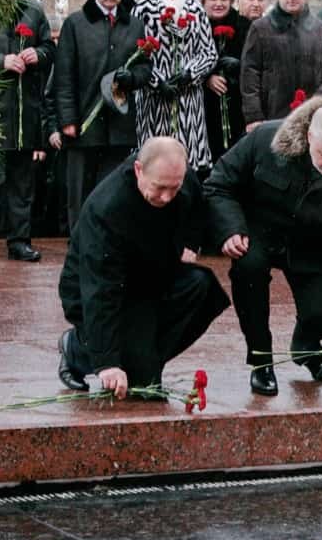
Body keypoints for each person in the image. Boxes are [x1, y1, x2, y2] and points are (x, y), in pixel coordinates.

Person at [205, 97, 322, 396]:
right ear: (310, 137)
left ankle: (307, 346)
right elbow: (219, 184)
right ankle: (261, 359)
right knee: (249, 268)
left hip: (316, 244)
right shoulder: (264, 139)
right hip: (259, 232)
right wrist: (231, 228)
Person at [57, 137, 230, 396]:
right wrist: (107, 363)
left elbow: (197, 204)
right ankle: (78, 349)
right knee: (138, 380)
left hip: (151, 276)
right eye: (160, 188)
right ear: (139, 169)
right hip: (99, 289)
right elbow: (100, 289)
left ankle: (142, 360)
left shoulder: (179, 177)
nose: (167, 197)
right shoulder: (107, 209)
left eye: (174, 188)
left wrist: (191, 244)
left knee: (200, 287)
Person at [54, 0, 153, 232]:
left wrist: (130, 78)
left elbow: (146, 69)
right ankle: (79, 243)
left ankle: (108, 245)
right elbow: (64, 76)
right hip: (84, 124)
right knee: (80, 195)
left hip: (119, 125)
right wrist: (67, 120)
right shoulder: (75, 24)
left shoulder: (134, 25)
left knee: (113, 192)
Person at [0, 0, 54, 262]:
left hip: (24, 110)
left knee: (22, 182)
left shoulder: (33, 9)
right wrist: (0, 61)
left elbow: (49, 50)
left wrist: (38, 54)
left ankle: (19, 241)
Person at [131, 0, 217, 180]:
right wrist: (157, 82)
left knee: (189, 164)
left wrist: (190, 73)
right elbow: (135, 54)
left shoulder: (196, 9)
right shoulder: (143, 8)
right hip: (154, 98)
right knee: (155, 161)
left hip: (188, 99)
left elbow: (209, 52)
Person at [240, 0, 322, 131]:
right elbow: (250, 73)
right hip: (270, 118)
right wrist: (253, 116)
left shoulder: (320, 30)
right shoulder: (261, 28)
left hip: (311, 117)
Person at [197, 0, 250, 162]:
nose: (219, 3)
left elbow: (254, 63)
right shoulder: (195, 26)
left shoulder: (244, 26)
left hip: (235, 104)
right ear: (203, 1)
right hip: (204, 108)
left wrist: (238, 67)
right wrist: (206, 77)